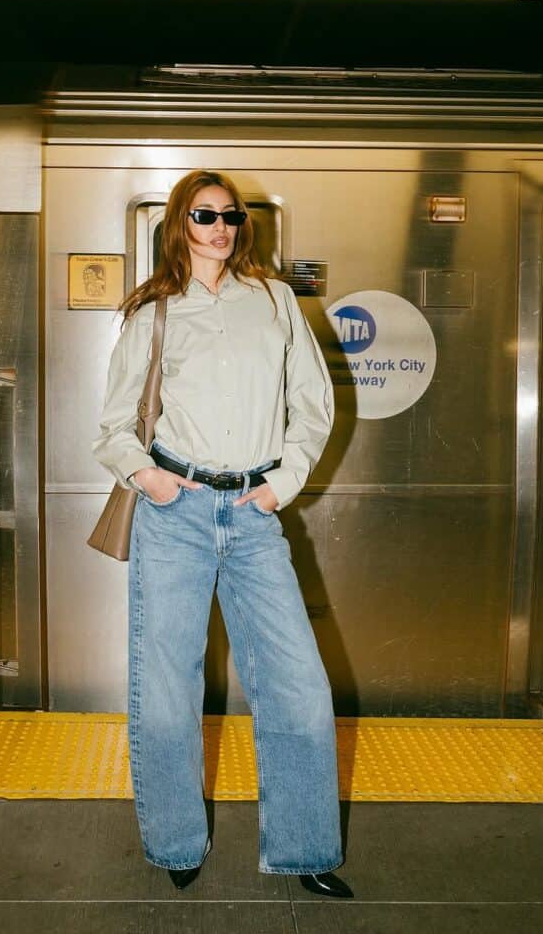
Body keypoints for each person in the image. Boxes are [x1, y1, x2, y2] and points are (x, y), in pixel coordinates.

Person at [92, 169, 352, 898]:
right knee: (167, 688)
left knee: (298, 684)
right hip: (174, 512)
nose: (221, 228)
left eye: (232, 216)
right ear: (180, 222)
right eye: (205, 215)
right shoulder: (153, 310)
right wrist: (148, 478)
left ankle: (304, 850)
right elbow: (113, 426)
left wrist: (285, 484)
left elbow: (314, 403)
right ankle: (176, 841)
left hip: (253, 514)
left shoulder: (273, 300)